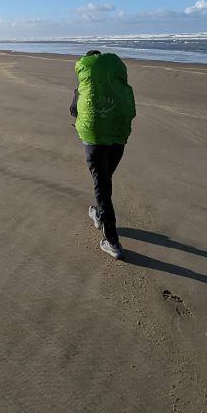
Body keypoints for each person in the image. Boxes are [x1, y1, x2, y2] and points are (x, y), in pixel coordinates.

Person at [70, 49, 136, 259]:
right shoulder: (118, 85)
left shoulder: (83, 87)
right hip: (118, 138)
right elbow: (130, 107)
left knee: (102, 186)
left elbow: (73, 110)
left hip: (95, 140)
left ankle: (112, 241)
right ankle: (99, 213)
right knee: (105, 179)